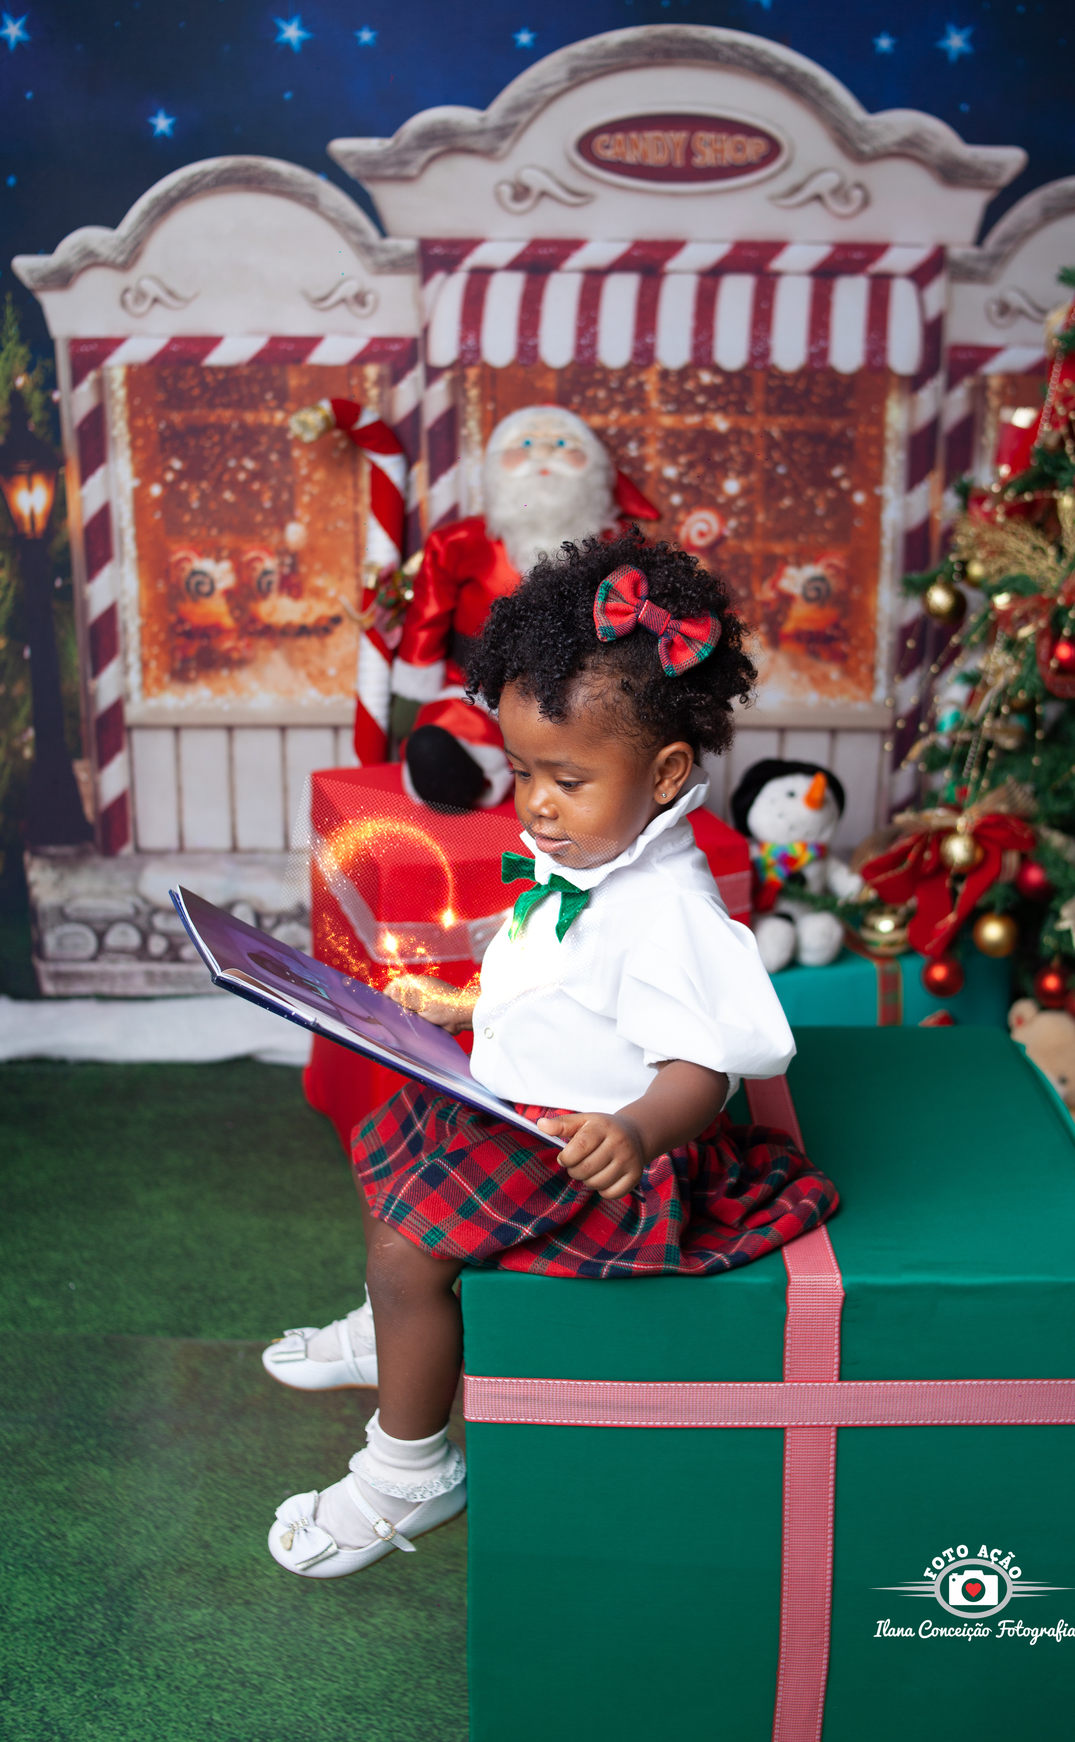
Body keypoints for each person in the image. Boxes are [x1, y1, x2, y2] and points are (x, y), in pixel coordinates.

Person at [265, 533, 839, 1580]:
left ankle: (411, 1469)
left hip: (587, 1147)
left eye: (565, 779)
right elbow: (561, 973)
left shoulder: (669, 908)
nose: (532, 803)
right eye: (523, 770)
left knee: (407, 1245)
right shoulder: (591, 848)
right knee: (386, 1153)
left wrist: (636, 1131)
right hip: (513, 1104)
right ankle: (397, 1331)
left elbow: (704, 1070)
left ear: (665, 773)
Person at [392, 405, 657, 810]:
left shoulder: (623, 547)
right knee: (448, 727)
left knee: (598, 739)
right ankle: (464, 770)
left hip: (581, 690)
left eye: (564, 444)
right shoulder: (458, 543)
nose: (544, 454)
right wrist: (415, 685)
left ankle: (575, 787)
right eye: (526, 444)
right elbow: (427, 617)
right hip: (477, 687)